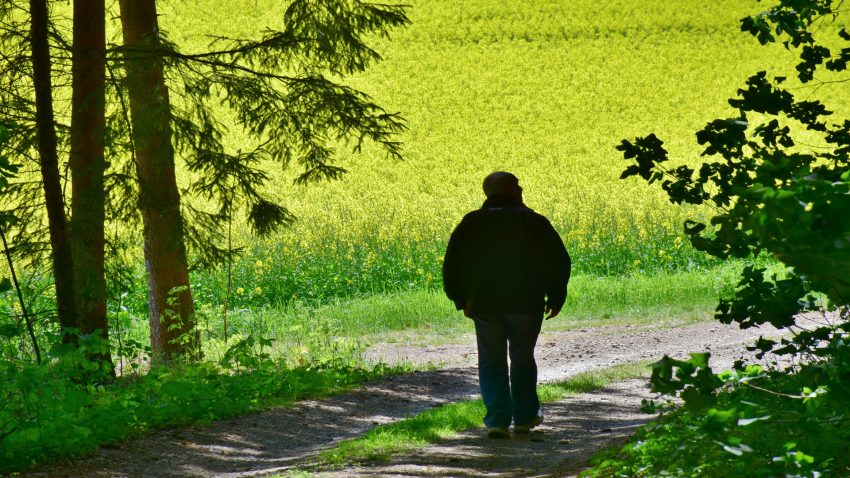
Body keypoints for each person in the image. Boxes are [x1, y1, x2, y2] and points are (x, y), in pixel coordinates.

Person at [442, 171, 571, 438]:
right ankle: (524, 418)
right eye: (517, 184)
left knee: (491, 361)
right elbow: (558, 261)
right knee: (523, 358)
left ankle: (497, 421)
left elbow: (453, 264)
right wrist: (555, 296)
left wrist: (461, 299)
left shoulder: (471, 223)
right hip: (527, 303)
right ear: (509, 190)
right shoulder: (533, 221)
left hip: (485, 305)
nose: (522, 188)